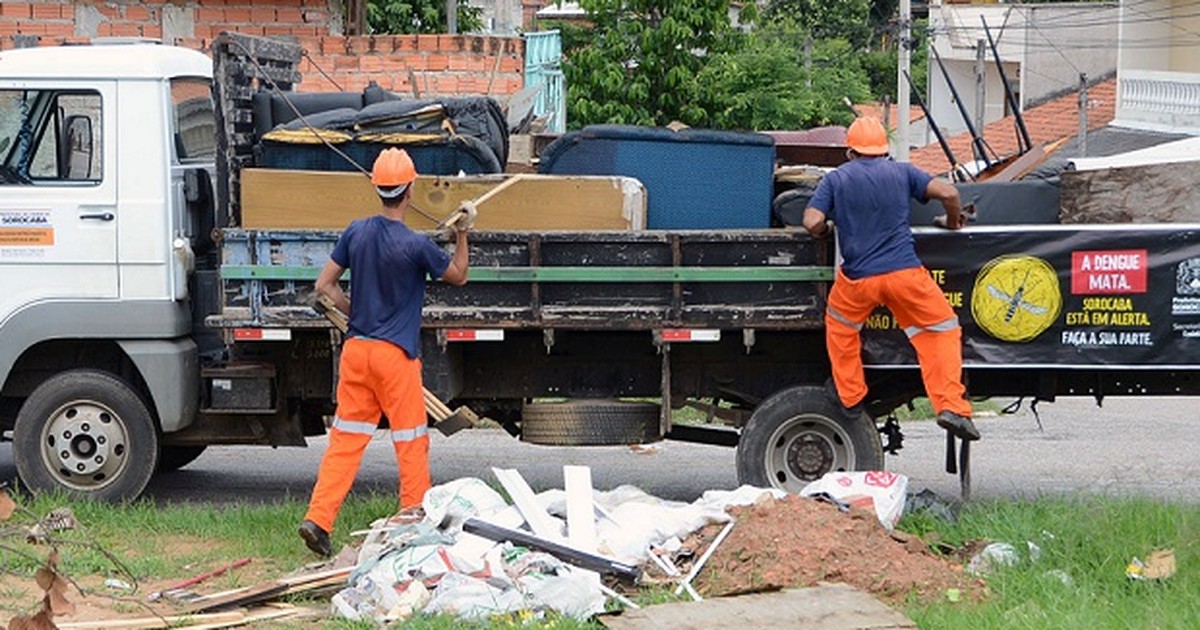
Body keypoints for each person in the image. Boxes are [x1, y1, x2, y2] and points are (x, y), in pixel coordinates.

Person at [299, 148, 471, 557]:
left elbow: (324, 285)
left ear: (377, 189)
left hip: (356, 351)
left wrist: (353, 310)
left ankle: (318, 520)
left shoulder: (356, 231)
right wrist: (464, 234)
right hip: (395, 358)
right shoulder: (415, 245)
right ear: (409, 190)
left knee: (345, 441)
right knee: (410, 441)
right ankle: (414, 524)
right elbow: (459, 276)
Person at [801, 117, 979, 442]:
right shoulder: (902, 172)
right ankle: (951, 407)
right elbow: (950, 192)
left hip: (857, 280)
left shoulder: (836, 179)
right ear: (884, 150)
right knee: (941, 331)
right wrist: (953, 222)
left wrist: (824, 230)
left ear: (850, 152)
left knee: (841, 329)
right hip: (904, 274)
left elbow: (811, 220)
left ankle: (851, 398)